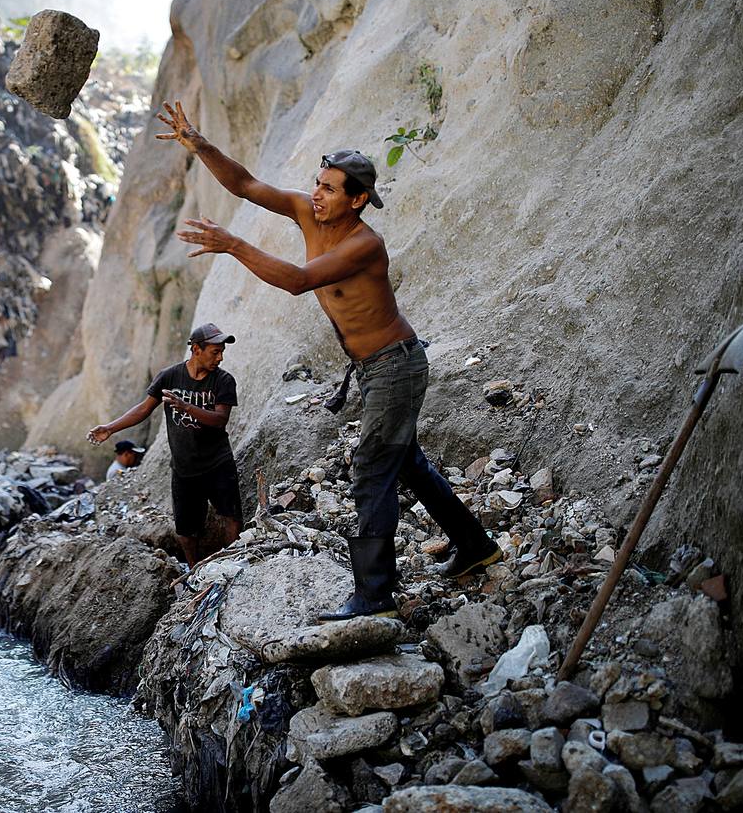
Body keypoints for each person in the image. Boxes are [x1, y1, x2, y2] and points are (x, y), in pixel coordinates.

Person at [155, 101, 501, 621]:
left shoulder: (365, 244)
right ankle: (475, 546)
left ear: (358, 200)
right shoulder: (307, 211)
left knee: (371, 469)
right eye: (316, 184)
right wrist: (199, 144)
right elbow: (245, 185)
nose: (316, 194)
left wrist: (233, 245)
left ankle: (375, 596)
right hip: (372, 369)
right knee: (405, 462)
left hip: (396, 366)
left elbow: (298, 281)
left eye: (330, 189)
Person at [86, 323, 243, 566]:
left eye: (222, 352)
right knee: (186, 532)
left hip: (217, 463)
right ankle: (195, 572)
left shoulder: (223, 381)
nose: (220, 358)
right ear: (197, 349)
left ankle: (232, 565)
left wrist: (186, 407)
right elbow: (143, 409)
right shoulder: (170, 376)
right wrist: (110, 428)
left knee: (231, 517)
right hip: (184, 469)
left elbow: (220, 419)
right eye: (215, 352)